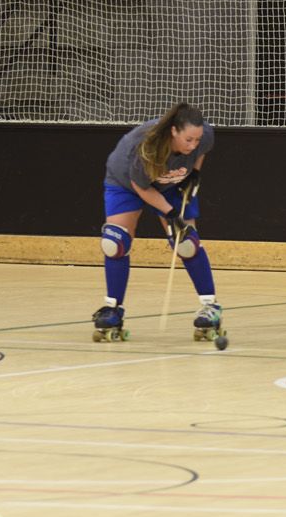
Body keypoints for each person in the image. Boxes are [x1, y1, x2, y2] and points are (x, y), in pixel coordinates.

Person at [92, 102, 220, 342]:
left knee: (186, 243)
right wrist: (172, 216)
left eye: (197, 139)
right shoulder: (147, 147)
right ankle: (112, 308)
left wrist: (194, 174)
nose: (193, 145)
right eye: (188, 140)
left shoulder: (203, 136)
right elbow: (142, 187)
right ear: (173, 131)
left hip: (171, 184)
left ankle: (210, 306)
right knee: (115, 242)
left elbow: (201, 151)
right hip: (126, 184)